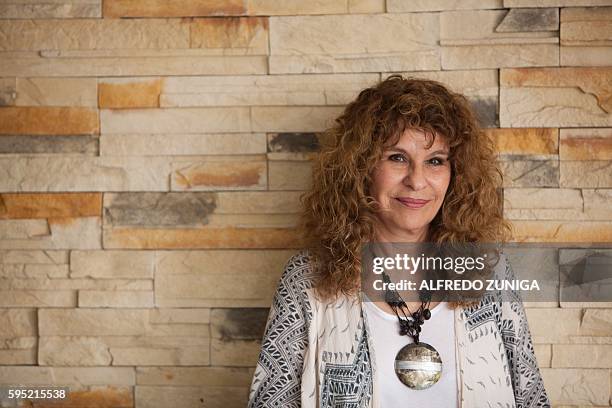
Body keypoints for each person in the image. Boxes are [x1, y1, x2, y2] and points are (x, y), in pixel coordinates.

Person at [247, 75, 550, 407]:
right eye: (397, 157)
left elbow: (530, 396)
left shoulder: (490, 274)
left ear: (455, 174)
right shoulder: (308, 279)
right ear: (361, 168)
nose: (417, 181)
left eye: (435, 161)